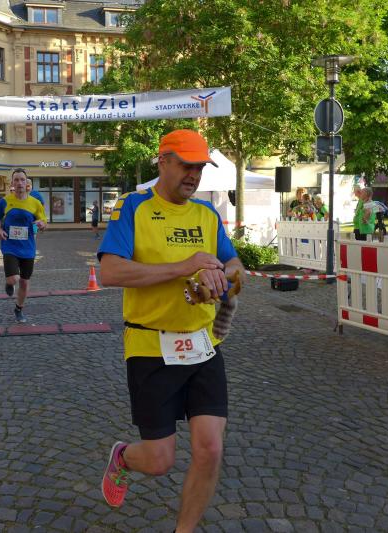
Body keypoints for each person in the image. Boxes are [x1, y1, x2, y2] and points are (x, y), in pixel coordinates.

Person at [97, 129, 244, 532]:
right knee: (160, 460)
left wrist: (222, 278)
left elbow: (234, 265)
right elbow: (110, 271)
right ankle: (123, 457)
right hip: (150, 345)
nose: (194, 175)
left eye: (200, 168)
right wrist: (185, 267)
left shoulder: (206, 214)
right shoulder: (134, 206)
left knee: (210, 448)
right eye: (186, 166)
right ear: (163, 162)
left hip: (203, 344)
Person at [0, 168, 47, 323]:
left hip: (28, 247)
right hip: (9, 245)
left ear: (27, 183)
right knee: (14, 279)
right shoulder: (5, 201)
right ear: (12, 183)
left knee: (24, 281)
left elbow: (44, 221)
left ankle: (19, 309)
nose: (19, 183)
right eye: (16, 180)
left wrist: (42, 224)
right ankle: (9, 282)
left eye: (22, 180)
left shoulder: (35, 203)